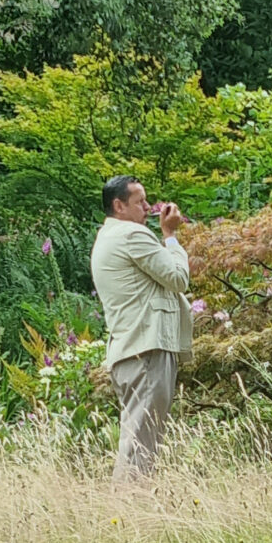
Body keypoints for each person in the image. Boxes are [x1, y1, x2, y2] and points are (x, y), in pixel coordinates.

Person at [90, 175, 193, 481]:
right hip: (146, 350)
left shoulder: (107, 237)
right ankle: (129, 515)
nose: (148, 208)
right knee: (141, 445)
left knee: (138, 438)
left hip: (130, 350)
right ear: (118, 206)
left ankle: (130, 513)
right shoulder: (131, 236)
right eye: (140, 202)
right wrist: (170, 236)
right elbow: (178, 278)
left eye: (147, 201)